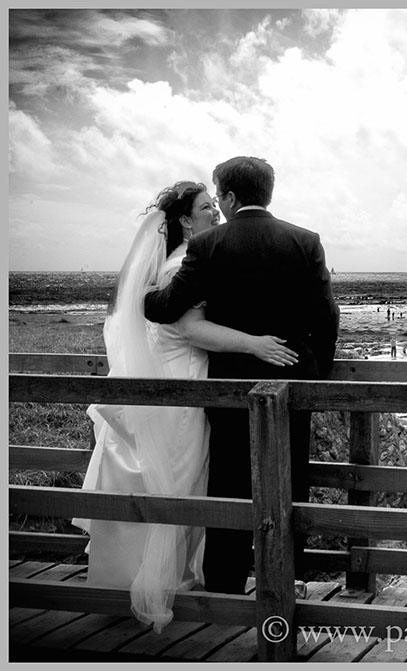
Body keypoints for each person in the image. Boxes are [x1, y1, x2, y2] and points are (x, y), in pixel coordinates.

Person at [74, 181, 299, 632]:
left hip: (163, 373)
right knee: (179, 475)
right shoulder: (184, 264)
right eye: (205, 208)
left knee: (162, 474)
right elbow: (193, 330)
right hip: (183, 382)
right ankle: (166, 580)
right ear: (183, 220)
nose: (215, 213)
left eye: (216, 205)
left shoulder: (177, 261)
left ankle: (136, 578)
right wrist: (255, 344)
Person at [144, 157, 340, 595]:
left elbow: (169, 307)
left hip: (231, 380)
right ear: (266, 193)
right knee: (293, 476)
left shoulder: (208, 245)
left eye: (218, 195)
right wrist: (315, 373)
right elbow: (327, 317)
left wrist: (145, 299)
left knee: (230, 478)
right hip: (293, 376)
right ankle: (293, 578)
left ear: (231, 197)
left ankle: (226, 583)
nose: (217, 203)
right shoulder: (306, 240)